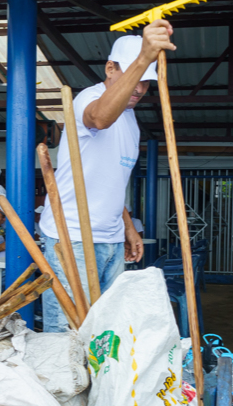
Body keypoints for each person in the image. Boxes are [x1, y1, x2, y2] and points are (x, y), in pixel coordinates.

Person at [38, 26, 166, 331]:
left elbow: (110, 182)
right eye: (134, 78)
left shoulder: (131, 120)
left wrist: (128, 227)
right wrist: (144, 57)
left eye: (146, 82)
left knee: (104, 333)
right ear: (110, 68)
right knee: (68, 334)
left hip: (109, 238)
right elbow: (99, 118)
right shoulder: (89, 99)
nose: (139, 89)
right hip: (72, 237)